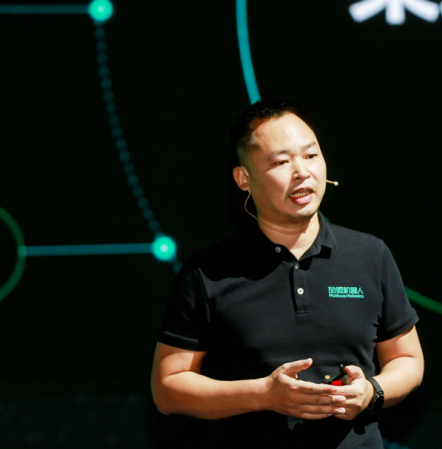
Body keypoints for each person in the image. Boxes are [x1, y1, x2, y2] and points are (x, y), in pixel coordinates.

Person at [150, 99, 424, 448]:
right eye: (281, 161)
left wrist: (372, 391)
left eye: (310, 155)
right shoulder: (207, 272)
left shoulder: (370, 255)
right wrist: (264, 394)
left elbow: (407, 358)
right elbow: (168, 388)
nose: (302, 172)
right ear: (244, 178)